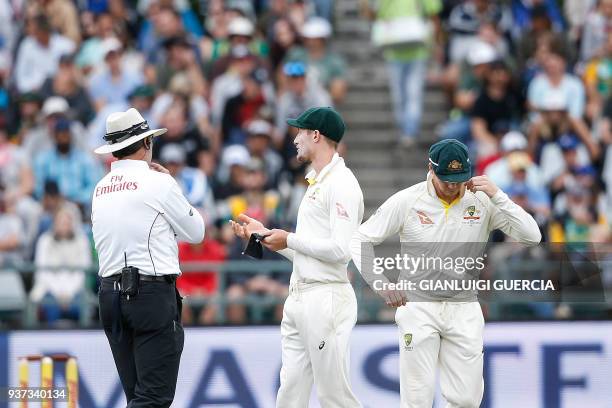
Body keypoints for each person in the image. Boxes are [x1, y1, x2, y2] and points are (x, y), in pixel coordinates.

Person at [350, 139, 541, 408]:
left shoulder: (483, 200)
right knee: (417, 400)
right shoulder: (409, 199)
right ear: (430, 168)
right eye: (446, 179)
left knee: (465, 400)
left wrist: (499, 195)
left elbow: (532, 235)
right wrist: (380, 282)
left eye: (459, 178)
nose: (453, 186)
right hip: (418, 306)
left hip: (463, 307)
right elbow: (360, 238)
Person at [230, 107, 363, 407]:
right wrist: (265, 236)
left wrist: (288, 238)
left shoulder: (342, 184)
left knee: (334, 396)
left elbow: (341, 250)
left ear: (316, 135)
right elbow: (309, 252)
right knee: (289, 395)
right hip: (300, 296)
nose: (295, 140)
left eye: (300, 132)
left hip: (326, 298)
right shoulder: (318, 181)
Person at [92, 108, 205, 407]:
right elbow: (196, 232)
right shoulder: (159, 182)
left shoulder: (100, 188)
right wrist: (175, 187)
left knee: (138, 396)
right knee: (153, 397)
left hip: (109, 295)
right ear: (146, 144)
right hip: (150, 294)